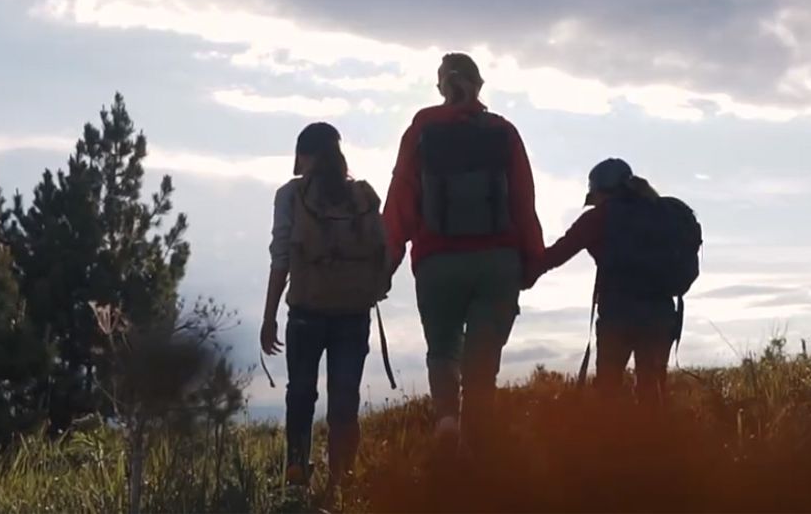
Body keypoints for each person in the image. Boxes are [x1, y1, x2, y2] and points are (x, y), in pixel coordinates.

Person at [382, 52, 545, 456]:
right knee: (482, 361)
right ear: (480, 85)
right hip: (498, 262)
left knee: (442, 349)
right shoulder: (503, 131)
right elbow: (524, 201)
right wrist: (532, 259)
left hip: (438, 261)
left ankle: (447, 422)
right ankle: (477, 443)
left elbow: (401, 196)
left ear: (442, 86)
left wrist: (387, 261)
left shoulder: (422, 127)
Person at [260, 122, 390, 487]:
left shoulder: (290, 195)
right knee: (344, 397)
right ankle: (342, 477)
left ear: (303, 155)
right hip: (353, 313)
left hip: (305, 312)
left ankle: (297, 470)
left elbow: (281, 257)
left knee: (300, 392)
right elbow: (384, 251)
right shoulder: (362, 197)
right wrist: (371, 287)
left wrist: (269, 315)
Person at [526, 159, 701, 406]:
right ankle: (660, 441)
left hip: (617, 315)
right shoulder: (662, 213)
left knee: (608, 391)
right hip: (660, 314)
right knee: (653, 391)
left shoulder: (597, 218)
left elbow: (554, 256)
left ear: (599, 190)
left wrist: (519, 276)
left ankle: (610, 440)